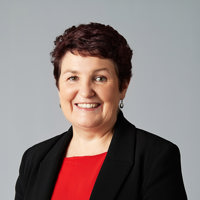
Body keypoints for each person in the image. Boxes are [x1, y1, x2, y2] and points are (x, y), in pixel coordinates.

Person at [15, 22, 187, 200]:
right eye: (72, 78)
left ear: (123, 86)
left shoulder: (155, 157)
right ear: (58, 86)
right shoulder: (34, 159)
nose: (85, 92)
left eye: (99, 78)